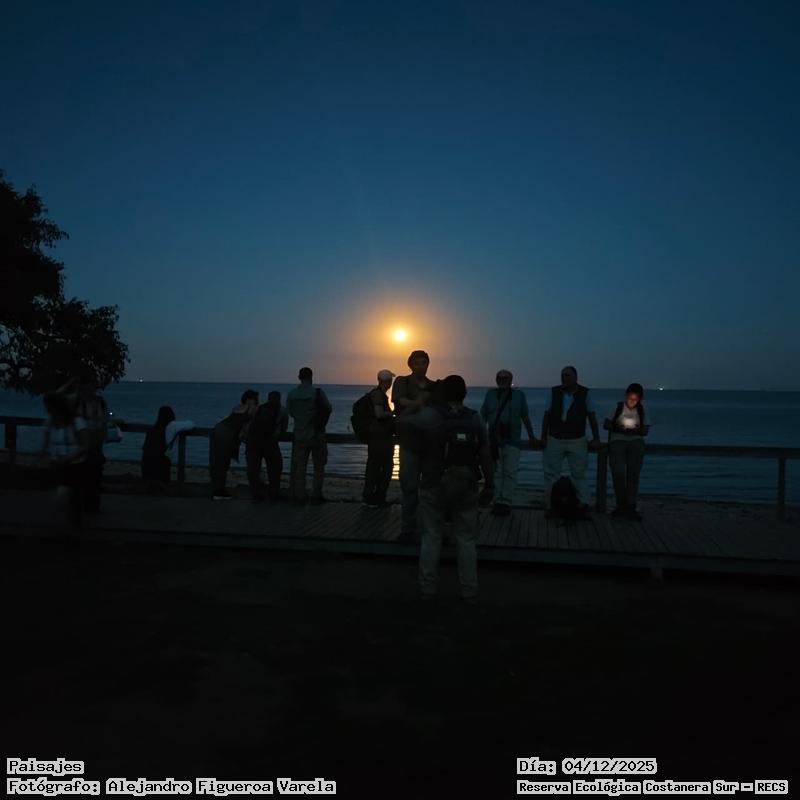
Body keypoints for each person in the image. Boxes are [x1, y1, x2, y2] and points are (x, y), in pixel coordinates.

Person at [417, 375, 494, 603]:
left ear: (442, 394)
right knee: (466, 539)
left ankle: (427, 589)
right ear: (465, 393)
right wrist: (490, 484)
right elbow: (485, 453)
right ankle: (469, 590)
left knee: (431, 537)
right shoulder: (475, 418)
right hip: (466, 483)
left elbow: (416, 447)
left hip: (434, 483)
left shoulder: (429, 416)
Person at [541, 366, 600, 517]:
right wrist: (543, 437)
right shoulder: (553, 392)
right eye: (562, 375)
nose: (564, 378)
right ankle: (551, 505)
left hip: (577, 439)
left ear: (575, 377)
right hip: (555, 438)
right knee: (551, 474)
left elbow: (592, 417)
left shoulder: (585, 393)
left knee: (579, 473)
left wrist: (596, 438)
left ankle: (583, 504)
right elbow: (546, 415)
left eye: (567, 375)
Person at [479, 369, 538, 516]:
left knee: (510, 472)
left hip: (512, 440)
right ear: (496, 379)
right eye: (499, 377)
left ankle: (505, 501)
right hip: (494, 441)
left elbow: (525, 416)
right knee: (496, 473)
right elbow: (483, 416)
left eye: (505, 378)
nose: (502, 380)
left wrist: (531, 436)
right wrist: (481, 437)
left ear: (510, 379)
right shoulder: (490, 394)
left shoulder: (519, 395)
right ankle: (497, 501)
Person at [391, 350, 436, 541]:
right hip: (408, 442)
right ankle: (408, 528)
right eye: (417, 363)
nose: (421, 366)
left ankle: (428, 527)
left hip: (430, 444)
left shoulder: (434, 386)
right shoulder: (402, 382)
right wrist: (419, 402)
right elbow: (401, 402)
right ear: (410, 365)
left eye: (424, 362)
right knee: (409, 486)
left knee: (430, 488)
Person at [57, 377, 109, 512]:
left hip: (95, 445)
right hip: (81, 444)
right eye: (87, 386)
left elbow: (104, 421)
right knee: (82, 476)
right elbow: (57, 397)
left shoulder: (100, 402)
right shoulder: (76, 401)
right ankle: (82, 507)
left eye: (92, 385)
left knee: (94, 477)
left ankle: (91, 506)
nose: (89, 389)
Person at [40, 391, 90, 529]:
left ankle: (71, 525)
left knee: (71, 496)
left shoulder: (76, 421)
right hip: (57, 463)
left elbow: (86, 444)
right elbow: (47, 443)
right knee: (64, 495)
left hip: (75, 465)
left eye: (50, 408)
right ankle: (64, 525)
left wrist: (69, 457)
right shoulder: (51, 422)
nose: (48, 411)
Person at [604, 383, 650, 520]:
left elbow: (645, 430)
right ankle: (621, 505)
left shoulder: (643, 410)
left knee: (633, 475)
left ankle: (631, 506)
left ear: (640, 399)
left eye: (635, 399)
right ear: (626, 396)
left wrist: (635, 430)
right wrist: (619, 427)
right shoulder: (617, 407)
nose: (632, 402)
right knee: (618, 473)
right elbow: (606, 424)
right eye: (630, 398)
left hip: (636, 442)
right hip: (617, 441)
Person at [287, 368, 332, 504]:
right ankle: (316, 495)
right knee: (319, 466)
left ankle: (300, 495)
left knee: (300, 466)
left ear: (299, 377)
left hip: (300, 434)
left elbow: (290, 412)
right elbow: (328, 408)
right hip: (316, 434)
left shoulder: (292, 394)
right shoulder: (317, 393)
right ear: (311, 377)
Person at [210, 390, 259, 500]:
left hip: (218, 428)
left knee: (215, 461)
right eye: (255, 399)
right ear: (249, 399)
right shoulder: (252, 409)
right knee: (223, 462)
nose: (256, 401)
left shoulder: (237, 407)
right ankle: (219, 492)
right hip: (226, 434)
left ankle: (216, 488)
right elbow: (246, 427)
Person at [362, 369, 396, 508]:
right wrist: (393, 413)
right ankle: (374, 498)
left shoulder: (377, 394)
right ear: (388, 381)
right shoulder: (378, 395)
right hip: (380, 437)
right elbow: (379, 414)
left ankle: (372, 497)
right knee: (382, 467)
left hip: (378, 437)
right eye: (390, 380)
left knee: (375, 467)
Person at [247, 390, 289, 503]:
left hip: (254, 442)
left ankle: (255, 494)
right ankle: (273, 494)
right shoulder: (282, 410)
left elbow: (250, 420)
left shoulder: (259, 408)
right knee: (275, 468)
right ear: (279, 399)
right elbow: (284, 428)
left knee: (254, 469)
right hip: (270, 442)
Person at [141, 406, 195, 493]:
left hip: (146, 466)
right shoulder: (171, 426)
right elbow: (191, 424)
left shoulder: (152, 430)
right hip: (161, 466)